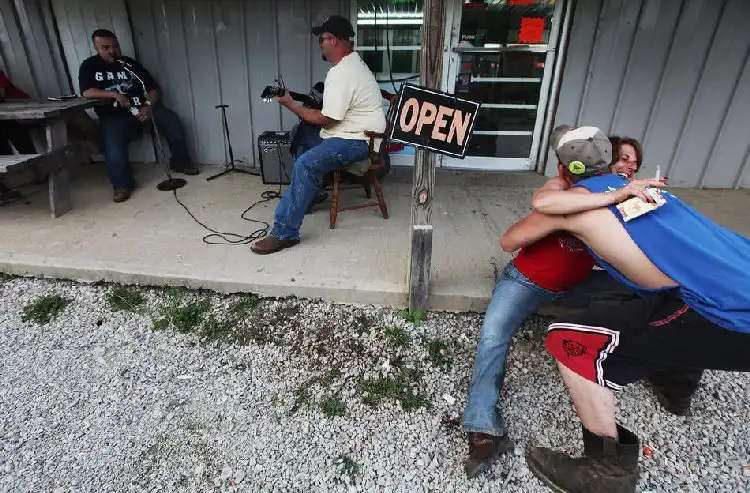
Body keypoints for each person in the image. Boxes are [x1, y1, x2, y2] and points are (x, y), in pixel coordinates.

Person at [505, 124, 750, 492]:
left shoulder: (568, 205)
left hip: (728, 312)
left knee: (569, 339)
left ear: (562, 169)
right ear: (612, 161)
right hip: (736, 273)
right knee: (662, 300)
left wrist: (561, 189)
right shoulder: (650, 191)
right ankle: (675, 386)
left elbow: (511, 239)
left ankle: (606, 473)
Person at [250, 15, 386, 254]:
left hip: (358, 140)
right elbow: (331, 114)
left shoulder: (342, 72)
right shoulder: (354, 64)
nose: (320, 44)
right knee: (301, 132)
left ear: (334, 40)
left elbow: (328, 118)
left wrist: (289, 104)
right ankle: (309, 192)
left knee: (305, 163)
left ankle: (284, 233)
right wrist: (296, 102)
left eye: (321, 39)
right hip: (353, 133)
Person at [78, 29, 198, 203]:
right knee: (113, 144)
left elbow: (153, 89)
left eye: (115, 46)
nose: (112, 50)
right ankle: (122, 185)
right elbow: (87, 92)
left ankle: (181, 163)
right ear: (96, 48)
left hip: (143, 108)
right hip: (115, 115)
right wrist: (114, 95)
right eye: (106, 47)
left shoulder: (130, 64)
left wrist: (148, 105)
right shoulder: (89, 66)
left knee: (171, 119)